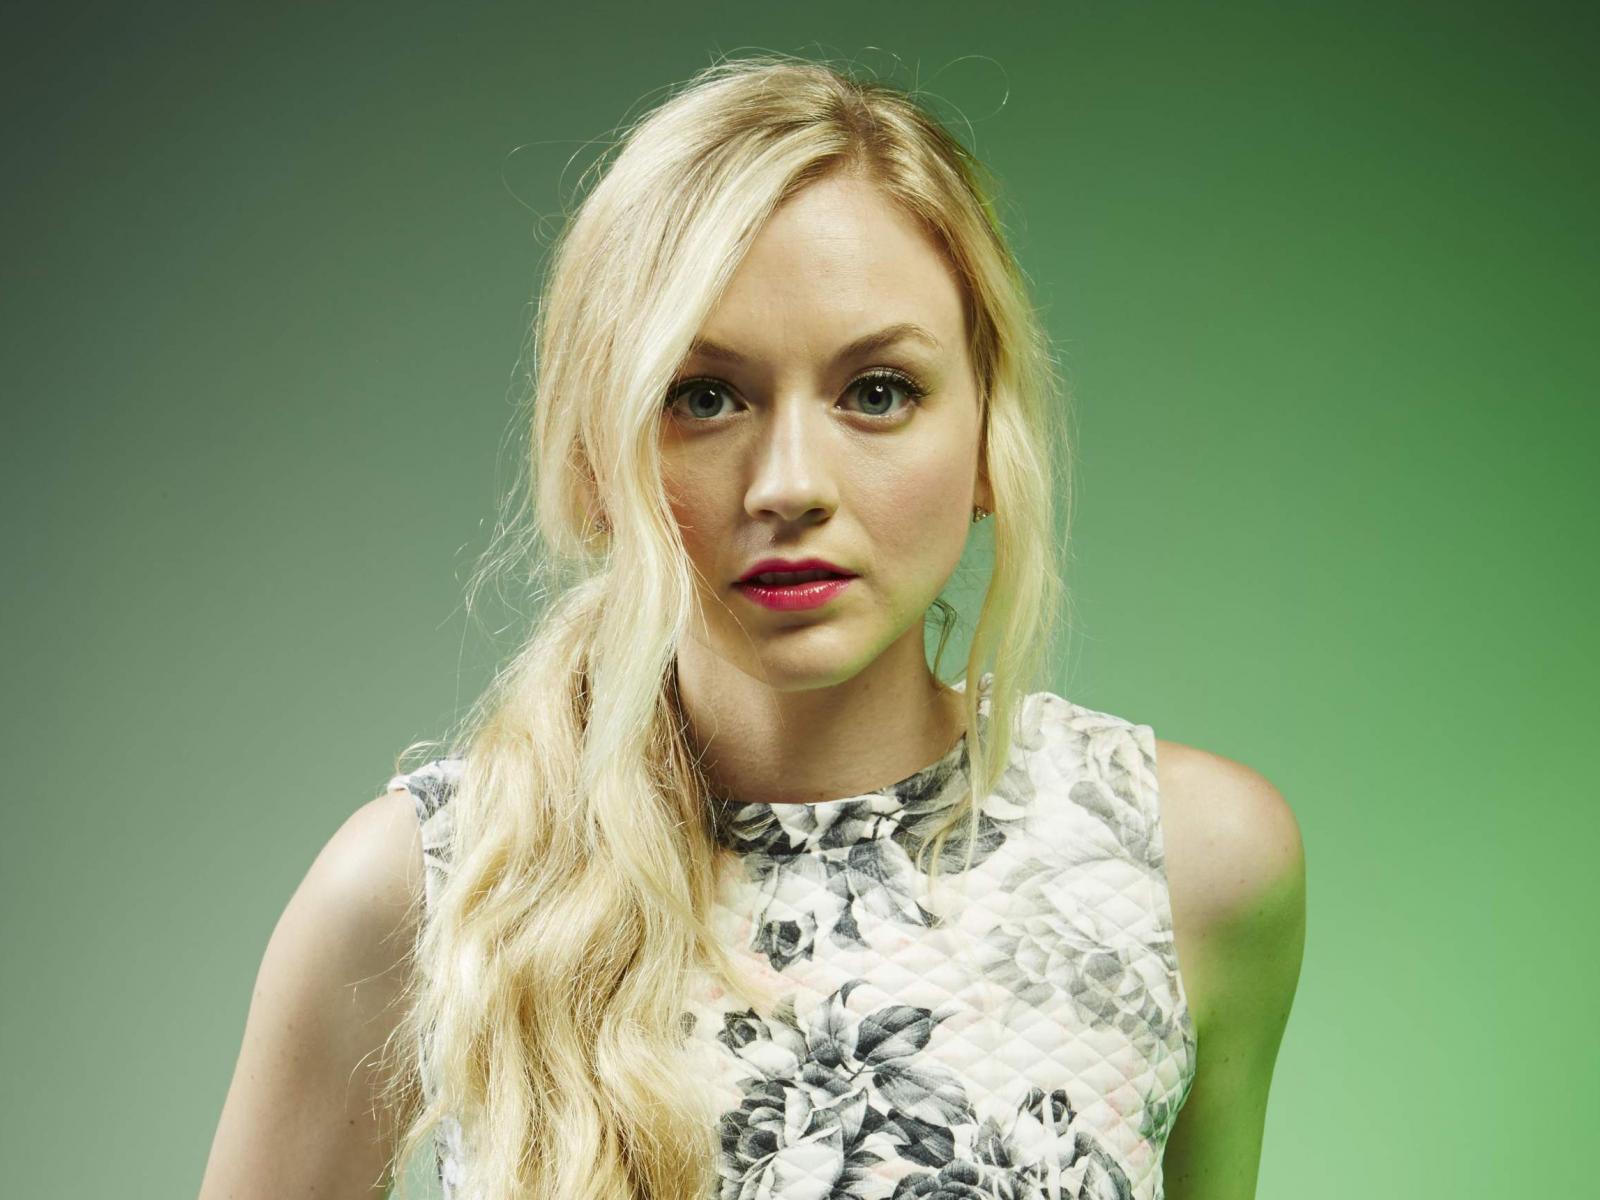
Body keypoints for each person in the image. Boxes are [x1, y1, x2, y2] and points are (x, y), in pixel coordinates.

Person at [198, 54, 1305, 1200]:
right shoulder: (425, 892)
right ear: (593, 458)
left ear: (988, 439)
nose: (789, 485)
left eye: (877, 391)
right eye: (704, 397)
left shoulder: (1189, 864)